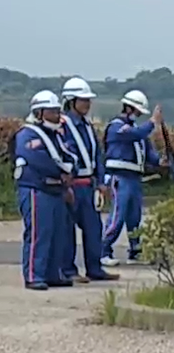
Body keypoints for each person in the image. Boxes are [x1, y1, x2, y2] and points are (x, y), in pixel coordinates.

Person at [58, 78, 118, 283]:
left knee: (94, 228)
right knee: (67, 230)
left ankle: (95, 268)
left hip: (88, 184)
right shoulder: (63, 125)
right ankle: (69, 270)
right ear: (71, 101)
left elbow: (97, 155)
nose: (87, 104)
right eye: (83, 100)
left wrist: (101, 181)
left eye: (88, 100)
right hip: (72, 184)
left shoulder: (87, 126)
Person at [15, 91, 75, 290]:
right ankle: (34, 275)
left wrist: (68, 175)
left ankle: (52, 274)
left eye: (58, 111)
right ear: (39, 113)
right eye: (52, 111)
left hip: (56, 189)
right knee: (39, 233)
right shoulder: (27, 134)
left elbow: (68, 155)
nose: (57, 115)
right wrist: (61, 172)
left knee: (57, 233)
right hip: (36, 188)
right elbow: (38, 160)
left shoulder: (54, 135)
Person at [100, 90, 162, 267]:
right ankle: (104, 251)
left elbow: (148, 153)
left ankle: (135, 250)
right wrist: (152, 122)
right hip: (120, 177)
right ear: (128, 108)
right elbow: (134, 134)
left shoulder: (137, 131)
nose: (138, 115)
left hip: (135, 178)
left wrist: (160, 161)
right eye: (137, 111)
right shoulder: (116, 127)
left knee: (135, 218)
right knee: (117, 217)